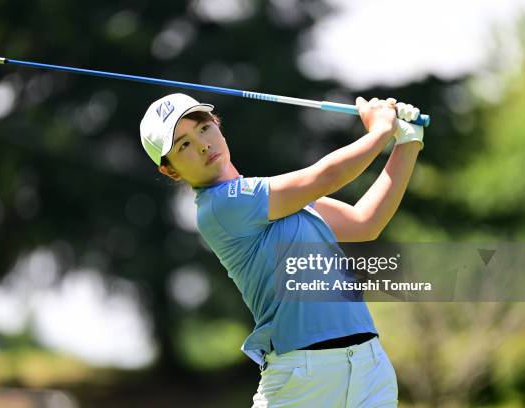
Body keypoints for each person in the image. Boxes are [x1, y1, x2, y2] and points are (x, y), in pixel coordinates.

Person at [140, 93, 423, 407]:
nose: (202, 145)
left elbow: (363, 223)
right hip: (301, 380)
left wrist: (407, 142)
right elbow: (326, 176)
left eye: (203, 128)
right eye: (183, 145)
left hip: (370, 369)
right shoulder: (220, 206)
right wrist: (380, 131)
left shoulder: (280, 198)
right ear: (170, 170)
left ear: (217, 125)